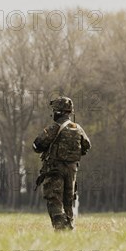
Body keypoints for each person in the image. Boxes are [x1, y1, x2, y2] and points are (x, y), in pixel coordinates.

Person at [33, 96, 91, 230]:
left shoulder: (54, 128)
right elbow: (87, 146)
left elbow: (37, 145)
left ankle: (61, 230)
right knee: (68, 201)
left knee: (54, 200)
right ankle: (70, 228)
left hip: (55, 170)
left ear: (58, 112)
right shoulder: (78, 128)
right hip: (72, 171)